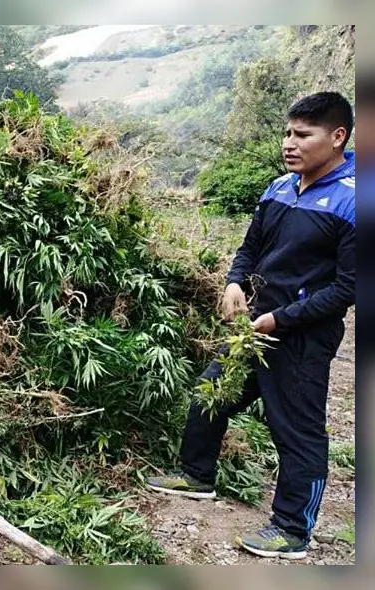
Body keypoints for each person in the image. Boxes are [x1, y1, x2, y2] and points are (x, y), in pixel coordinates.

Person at [146, 91, 355, 560]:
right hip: (251, 330)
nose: (289, 142)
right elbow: (250, 248)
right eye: (287, 132)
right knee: (210, 393)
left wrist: (281, 318)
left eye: (303, 134)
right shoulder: (279, 188)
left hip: (302, 337)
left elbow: (348, 289)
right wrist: (234, 282)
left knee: (297, 431)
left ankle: (292, 530)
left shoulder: (354, 201)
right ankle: (196, 476)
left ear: (337, 136)